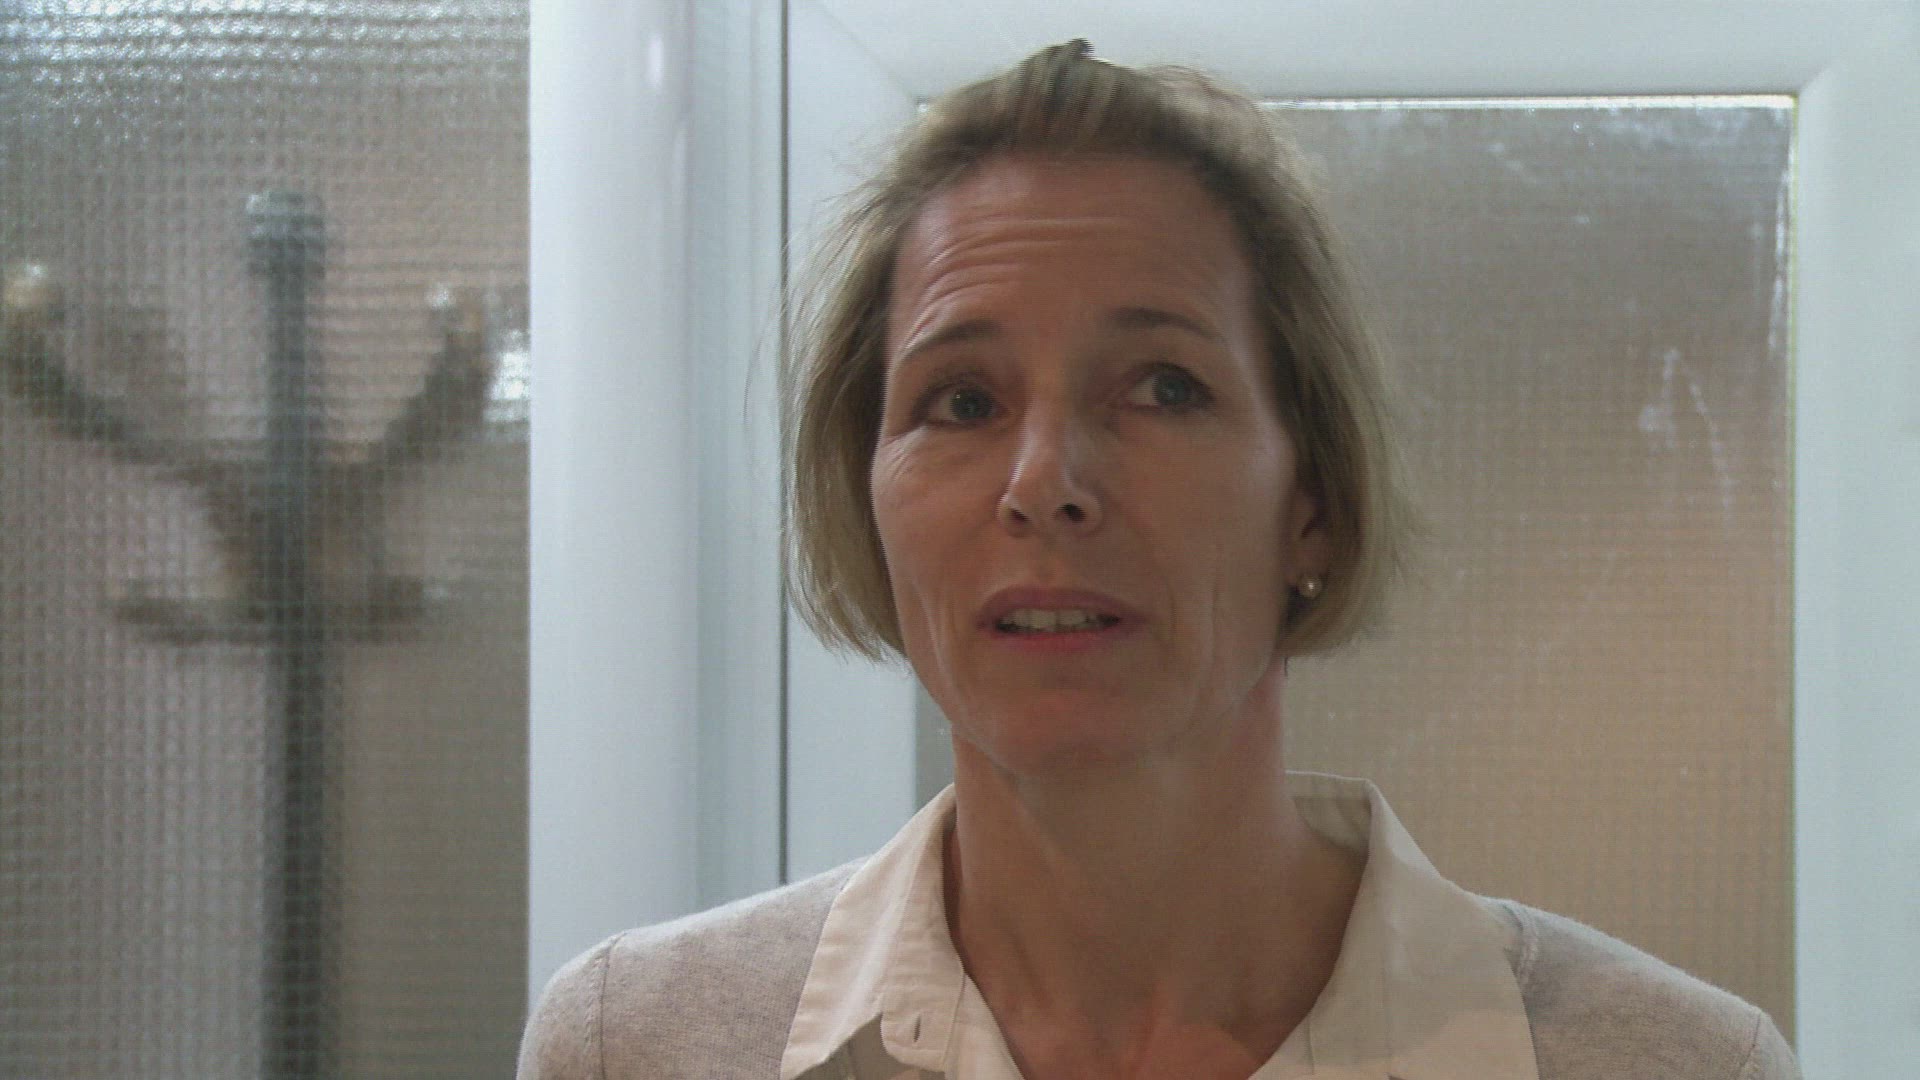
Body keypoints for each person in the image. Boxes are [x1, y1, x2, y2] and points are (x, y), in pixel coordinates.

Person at [519, 41, 1799, 1080]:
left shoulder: (1669, 1065)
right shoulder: (638, 1047)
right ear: (867, 496)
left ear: (1313, 501)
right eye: (962, 403)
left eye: (1163, 387)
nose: (1044, 485)